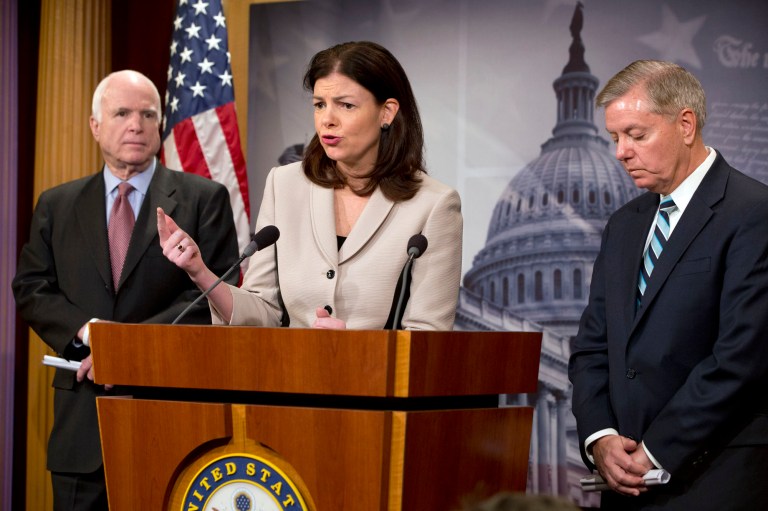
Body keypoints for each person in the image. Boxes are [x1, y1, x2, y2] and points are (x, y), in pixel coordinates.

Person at [12, 70, 240, 510]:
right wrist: (91, 333)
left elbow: (214, 294)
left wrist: (127, 349)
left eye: (147, 114)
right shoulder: (57, 205)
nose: (136, 124)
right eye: (121, 113)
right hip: (82, 426)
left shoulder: (203, 198)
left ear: (160, 124)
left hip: (169, 417)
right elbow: (32, 287)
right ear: (95, 126)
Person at [568, 59, 768, 510]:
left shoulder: (754, 213)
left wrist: (655, 451)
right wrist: (600, 437)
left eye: (636, 135)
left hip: (716, 480)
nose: (621, 152)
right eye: (615, 138)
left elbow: (741, 358)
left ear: (685, 124)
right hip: (623, 485)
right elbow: (592, 347)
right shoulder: (623, 224)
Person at [158, 41, 463, 330]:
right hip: (291, 369)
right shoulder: (284, 185)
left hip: (375, 371)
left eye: (346, 105)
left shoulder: (433, 205)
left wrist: (357, 349)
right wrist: (199, 271)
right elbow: (263, 310)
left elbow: (427, 335)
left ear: (387, 112)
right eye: (319, 104)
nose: (326, 119)